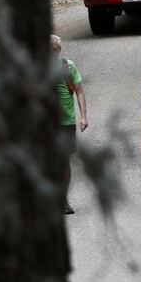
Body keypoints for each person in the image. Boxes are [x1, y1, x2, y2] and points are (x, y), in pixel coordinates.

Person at [50, 34, 88, 214]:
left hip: (66, 122)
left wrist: (83, 116)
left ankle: (63, 199)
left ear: (58, 50)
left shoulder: (67, 66)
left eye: (53, 49)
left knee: (64, 162)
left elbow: (79, 91)